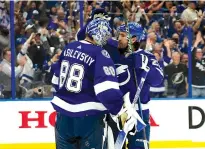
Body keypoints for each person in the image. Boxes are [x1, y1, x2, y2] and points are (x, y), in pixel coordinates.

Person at [51, 18, 138, 149]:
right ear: (100, 34)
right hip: (89, 119)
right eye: (106, 36)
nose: (107, 40)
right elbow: (107, 92)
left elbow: (55, 81)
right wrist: (121, 112)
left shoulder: (69, 47)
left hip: (63, 117)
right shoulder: (100, 54)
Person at [115, 22, 164, 148]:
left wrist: (144, 67)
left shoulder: (147, 57)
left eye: (122, 35)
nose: (118, 38)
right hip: (115, 112)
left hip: (139, 113)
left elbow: (157, 80)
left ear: (133, 39)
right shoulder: (113, 55)